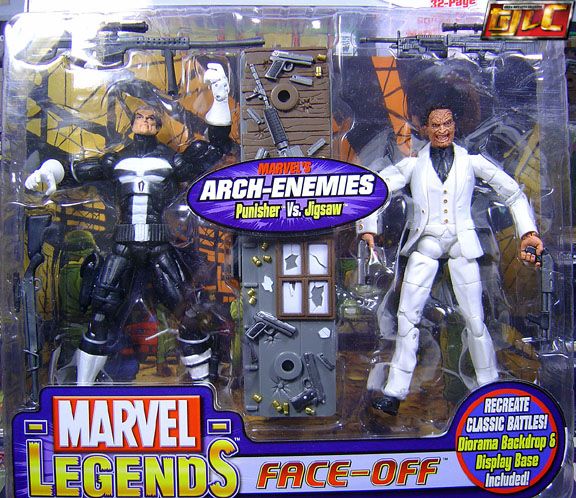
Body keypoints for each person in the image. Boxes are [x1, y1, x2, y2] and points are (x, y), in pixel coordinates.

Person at [25, 63, 232, 385]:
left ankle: (204, 385)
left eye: (152, 118)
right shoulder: (115, 160)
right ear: (132, 123)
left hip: (158, 245)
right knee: (100, 314)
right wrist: (47, 175)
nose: (146, 120)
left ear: (159, 125)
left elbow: (213, 149)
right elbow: (74, 169)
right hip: (122, 245)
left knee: (189, 312)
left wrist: (220, 97)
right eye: (140, 116)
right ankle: (82, 389)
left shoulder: (171, 161)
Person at [358, 106, 543, 416]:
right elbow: (374, 188)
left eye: (447, 123)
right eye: (435, 125)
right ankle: (394, 392)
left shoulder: (472, 162)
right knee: (407, 318)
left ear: (455, 125)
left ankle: (488, 387)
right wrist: (368, 227)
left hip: (462, 246)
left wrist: (528, 232)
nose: (442, 130)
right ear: (426, 129)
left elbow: (512, 193)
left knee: (476, 320)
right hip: (426, 245)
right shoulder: (413, 165)